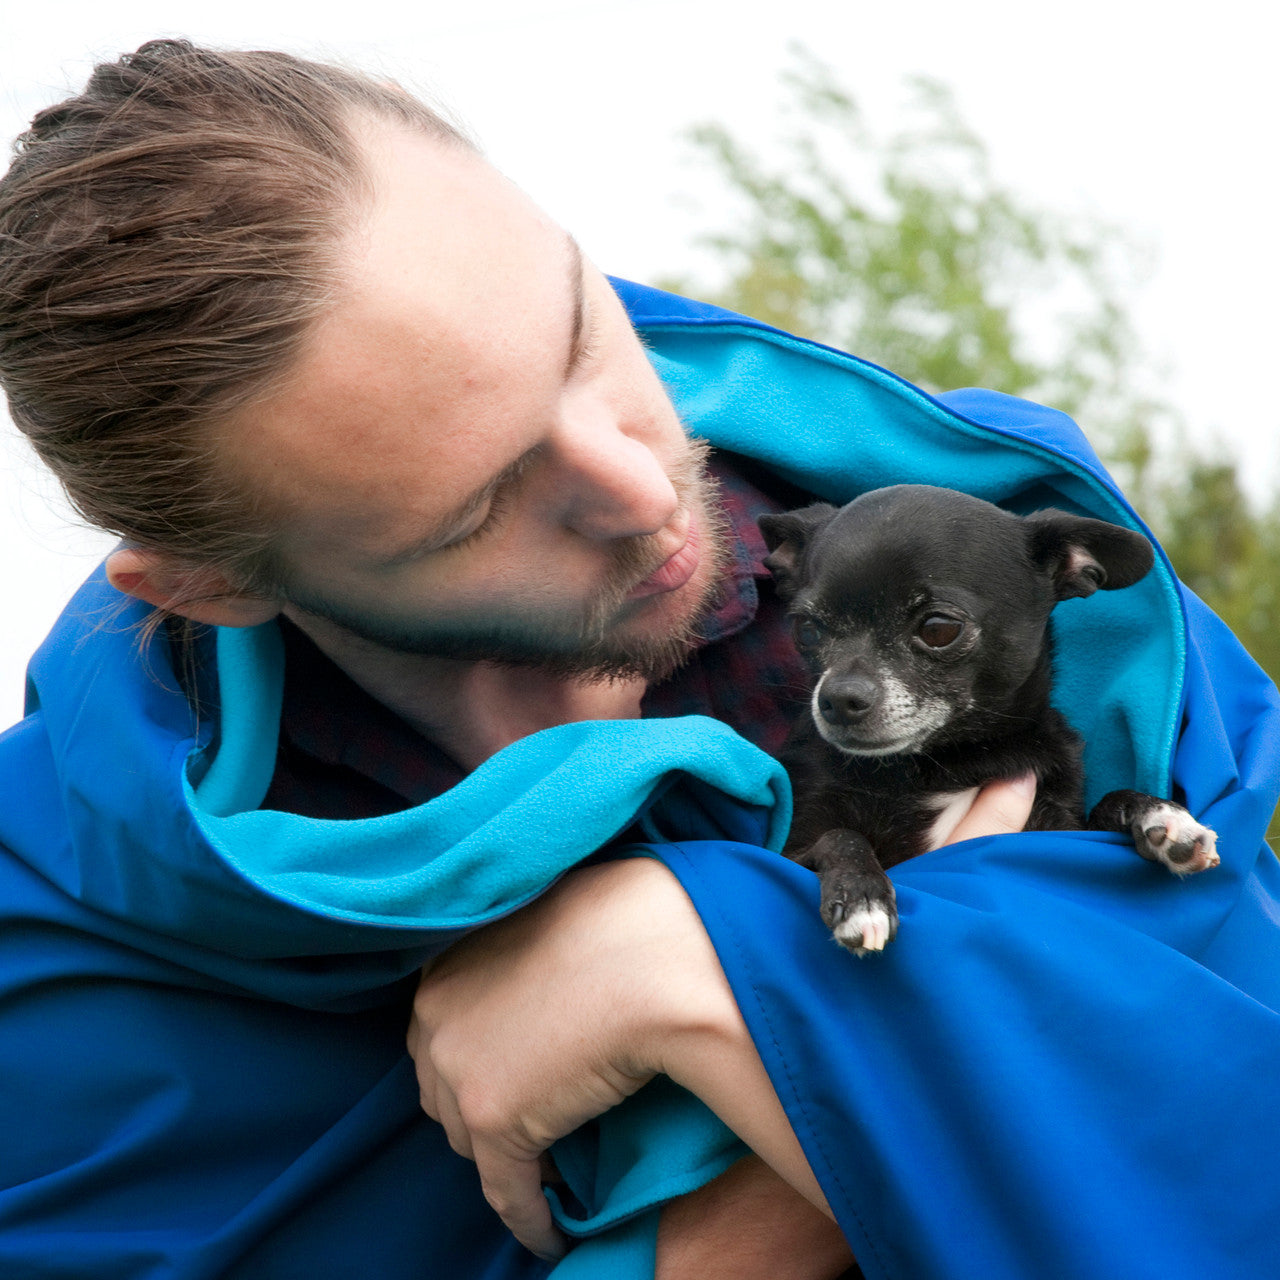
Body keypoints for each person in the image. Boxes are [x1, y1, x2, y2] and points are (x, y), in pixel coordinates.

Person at [1, 38, 1277, 1280]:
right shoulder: (61, 984)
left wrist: (696, 967)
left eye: (577, 328)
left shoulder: (1028, 545)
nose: (644, 482)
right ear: (210, 583)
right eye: (477, 503)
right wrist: (720, 1246)